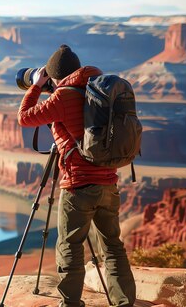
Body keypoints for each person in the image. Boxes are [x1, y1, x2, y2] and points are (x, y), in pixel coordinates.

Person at [17, 45, 136, 307]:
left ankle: (70, 304)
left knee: (70, 246)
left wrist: (36, 86)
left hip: (78, 186)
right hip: (108, 182)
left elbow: (24, 118)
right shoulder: (99, 91)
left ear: (54, 75)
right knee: (113, 247)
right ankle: (124, 302)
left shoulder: (62, 97)